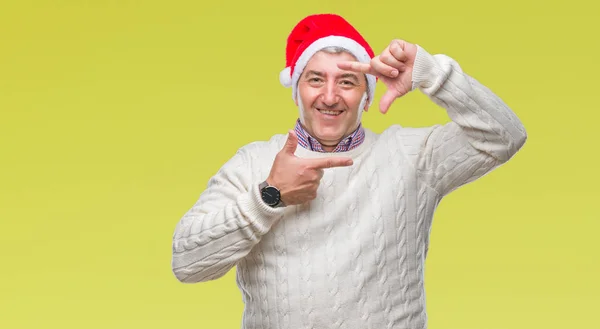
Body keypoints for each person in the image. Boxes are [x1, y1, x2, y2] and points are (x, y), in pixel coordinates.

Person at [171, 13, 527, 329]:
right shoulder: (254, 163)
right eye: (315, 80)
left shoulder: (411, 156)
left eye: (346, 81)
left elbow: (505, 135)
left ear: (367, 96)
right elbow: (187, 263)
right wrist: (269, 196)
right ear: (296, 91)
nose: (329, 96)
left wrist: (431, 73)